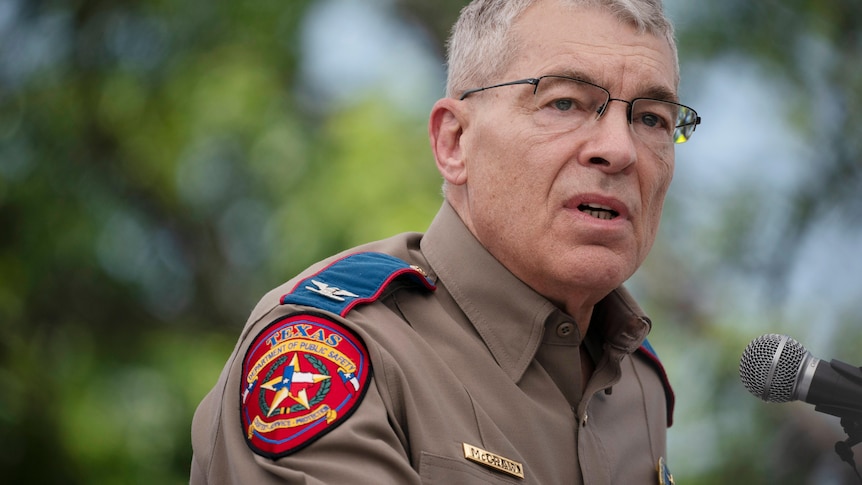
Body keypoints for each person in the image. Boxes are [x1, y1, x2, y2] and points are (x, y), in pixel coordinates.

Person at [190, 0, 700, 483]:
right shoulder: (330, 352)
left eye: (651, 118)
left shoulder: (636, 381)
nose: (619, 149)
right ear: (454, 141)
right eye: (564, 102)